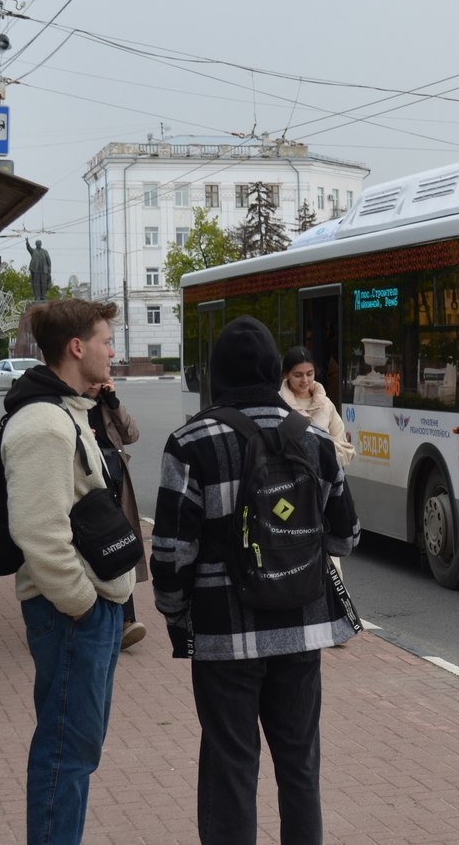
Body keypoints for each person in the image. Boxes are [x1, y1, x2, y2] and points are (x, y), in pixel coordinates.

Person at [152, 316, 360, 845]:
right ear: (274, 371)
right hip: (302, 626)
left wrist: (178, 613)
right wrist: (298, 566)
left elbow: (173, 552)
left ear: (217, 372)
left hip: (224, 635)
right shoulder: (313, 439)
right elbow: (347, 533)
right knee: (299, 768)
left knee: (231, 769)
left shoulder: (190, 442)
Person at [2, 298, 134, 845]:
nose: (112, 350)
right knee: (65, 753)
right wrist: (83, 602)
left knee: (77, 749)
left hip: (92, 611)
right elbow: (39, 533)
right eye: (105, 340)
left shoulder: (68, 412)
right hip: (74, 615)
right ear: (77, 348)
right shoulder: (44, 426)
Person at [84, 377, 148, 651]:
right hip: (87, 487)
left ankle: (126, 621)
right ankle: (97, 620)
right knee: (94, 549)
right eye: (94, 382)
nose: (97, 385)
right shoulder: (70, 406)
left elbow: (131, 435)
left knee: (120, 544)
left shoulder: (105, 405)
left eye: (102, 382)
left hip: (114, 484)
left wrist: (113, 401)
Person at [281, 345, 354, 579]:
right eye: (298, 375)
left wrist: (321, 453)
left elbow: (346, 450)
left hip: (323, 494)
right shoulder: (278, 407)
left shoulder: (327, 405)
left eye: (309, 374)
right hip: (288, 494)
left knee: (332, 569)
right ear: (286, 375)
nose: (305, 381)